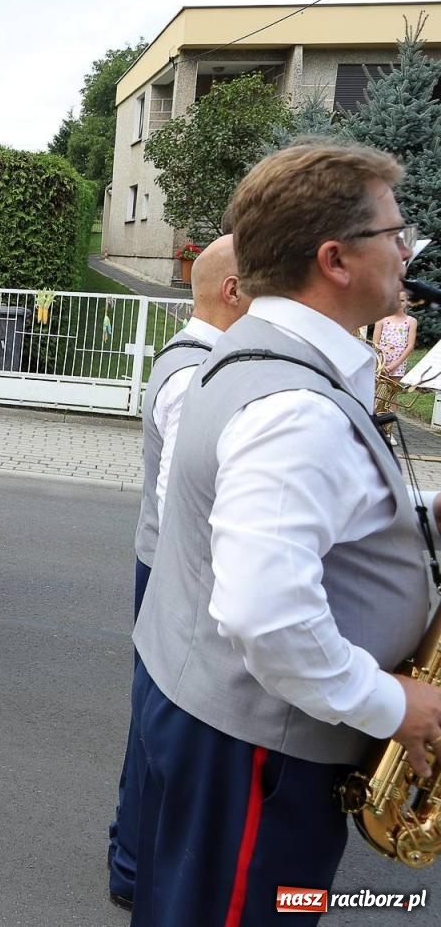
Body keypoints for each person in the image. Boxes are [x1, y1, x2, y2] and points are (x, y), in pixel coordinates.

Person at [129, 141, 441, 926]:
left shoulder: (255, 354)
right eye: (396, 232)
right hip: (262, 755)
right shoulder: (293, 407)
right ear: (336, 259)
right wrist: (392, 705)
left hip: (235, 740)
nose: (408, 249)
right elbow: (266, 615)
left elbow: (326, 509)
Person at [106, 234, 247, 912]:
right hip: (174, 570)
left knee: (155, 720)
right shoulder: (198, 373)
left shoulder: (201, 359)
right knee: (161, 724)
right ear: (233, 291)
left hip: (164, 564)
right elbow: (183, 501)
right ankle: (134, 863)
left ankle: (134, 858)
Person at [372, 291, 417, 378]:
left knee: (393, 390)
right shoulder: (381, 319)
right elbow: (375, 343)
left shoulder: (411, 321)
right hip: (381, 362)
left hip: (399, 363)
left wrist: (395, 364)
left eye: (402, 300)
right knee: (378, 389)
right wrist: (381, 363)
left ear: (407, 301)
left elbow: (410, 346)